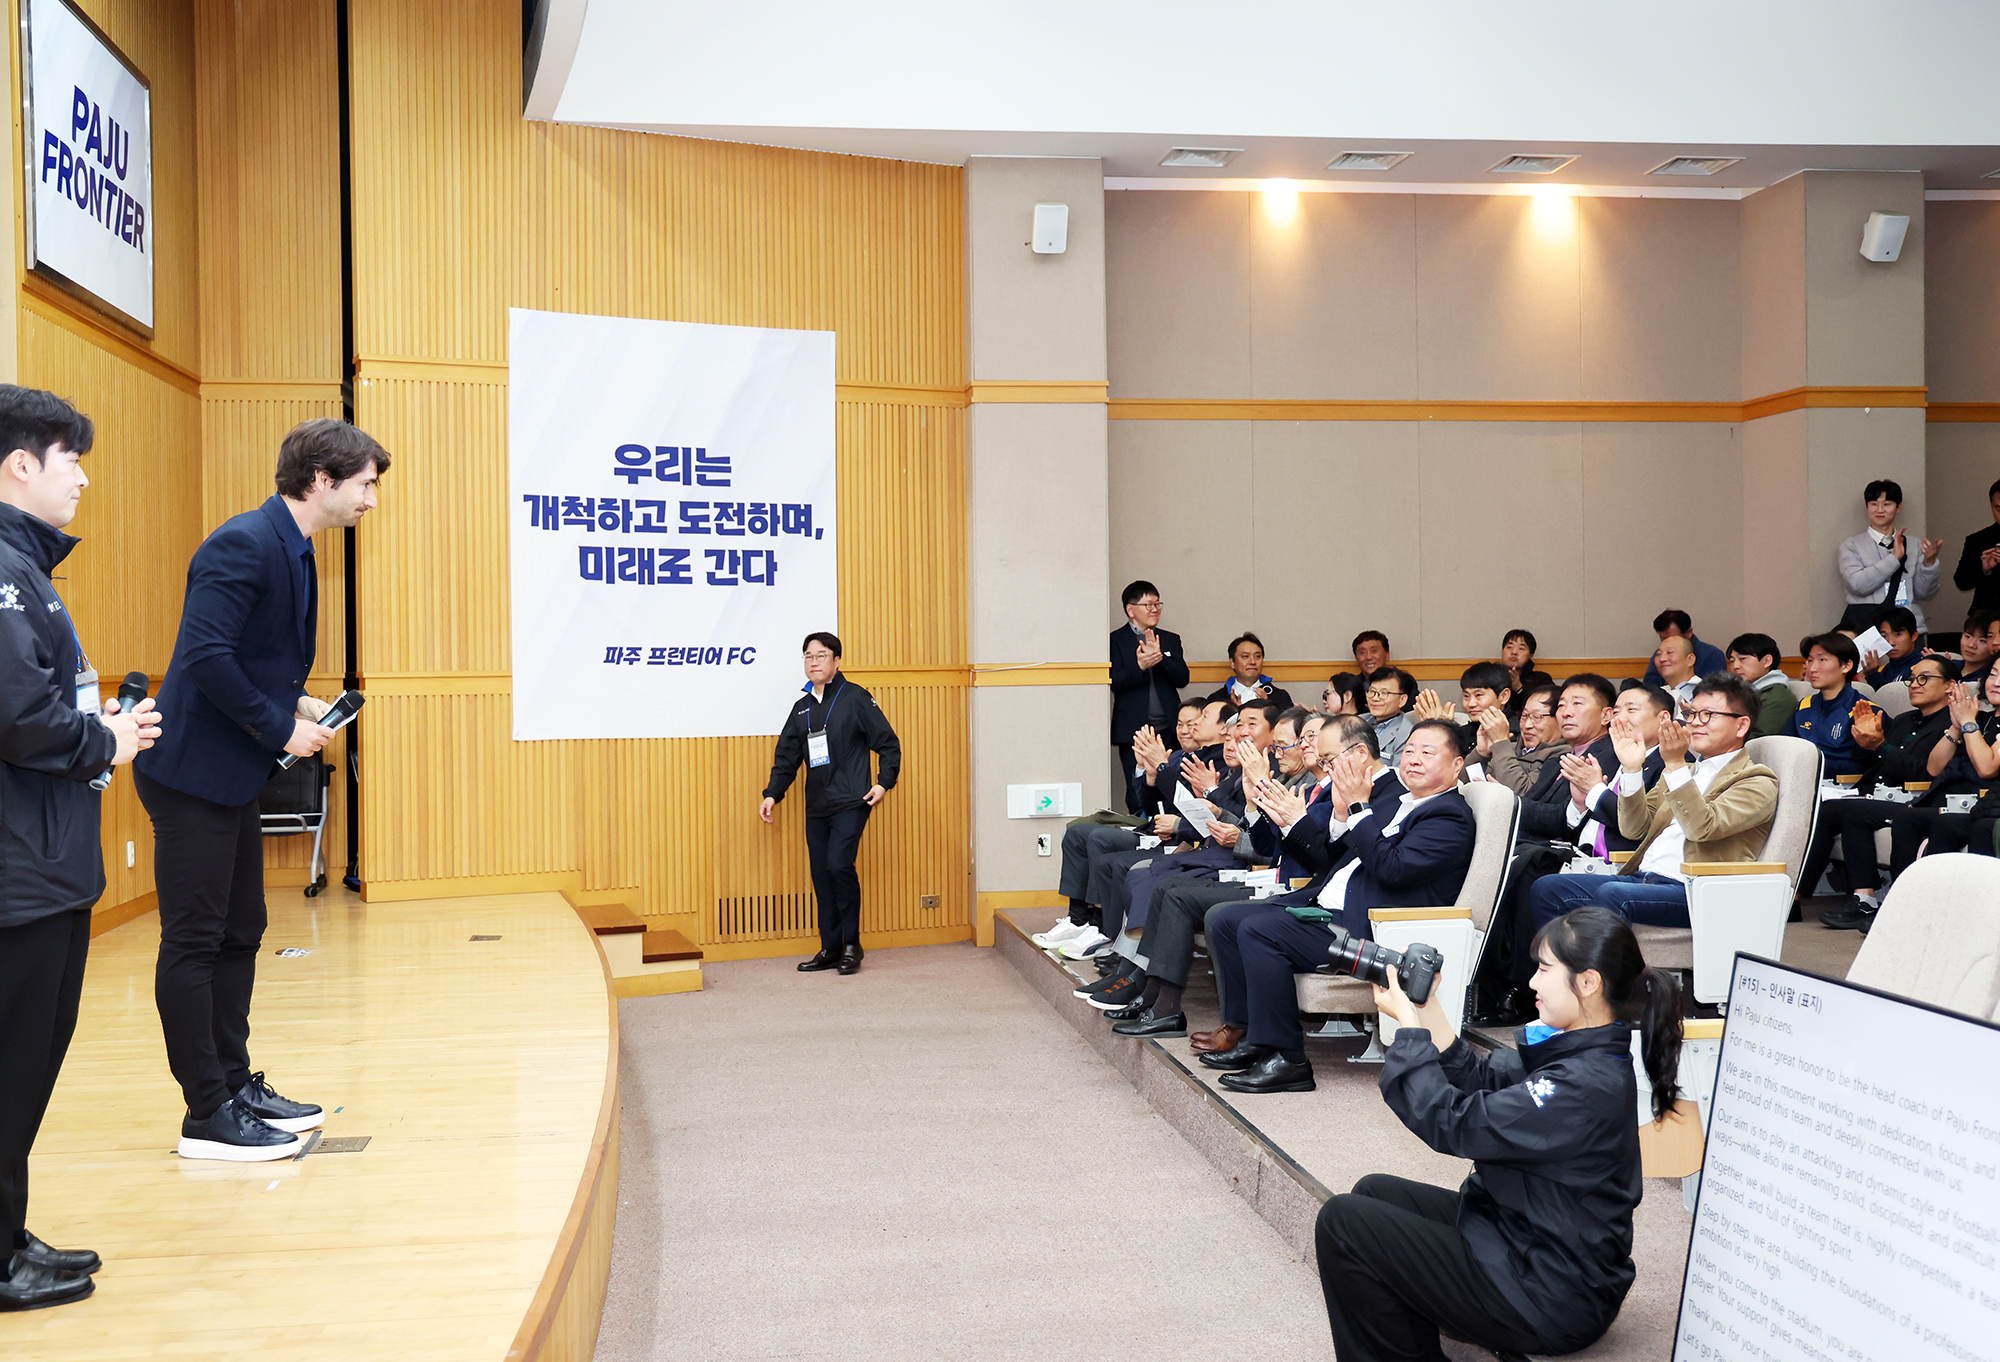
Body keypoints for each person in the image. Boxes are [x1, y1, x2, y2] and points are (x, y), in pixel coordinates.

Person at [138, 418, 387, 1162]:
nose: (372, 500)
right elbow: (206, 658)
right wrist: (281, 729)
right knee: (194, 940)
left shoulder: (295, 547)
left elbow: (253, 656)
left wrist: (299, 700)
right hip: (190, 775)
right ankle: (206, 1112)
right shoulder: (242, 542)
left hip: (229, 775)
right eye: (365, 484)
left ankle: (236, 1083)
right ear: (322, 481)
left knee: (241, 929)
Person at [1315, 907, 1682, 1362]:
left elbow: (1453, 1123)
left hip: (1549, 1293)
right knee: (1374, 1193)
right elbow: (1482, 1078)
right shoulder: (1580, 1049)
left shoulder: (1581, 1085)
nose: (1532, 982)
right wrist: (1427, 1010)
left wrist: (1408, 1031)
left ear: (1587, 983)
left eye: (1545, 969)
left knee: (1344, 1222)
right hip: (1523, 1240)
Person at [0, 388, 162, 1310]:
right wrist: (103, 740)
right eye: (72, 458)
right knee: (11, 1062)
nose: (85, 476)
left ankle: (6, 1233)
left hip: (46, 858)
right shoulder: (1, 566)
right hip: (17, 866)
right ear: (22, 462)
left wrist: (96, 725)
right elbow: (18, 715)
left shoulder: (27, 567)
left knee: (31, 1060)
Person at [1201, 719, 1475, 1094]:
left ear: (1457, 765)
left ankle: (1289, 1059)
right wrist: (1341, 815)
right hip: (1332, 910)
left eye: (1427, 752)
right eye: (1409, 749)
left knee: (1259, 930)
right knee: (1227, 919)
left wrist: (1358, 807)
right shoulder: (1399, 803)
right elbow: (1333, 859)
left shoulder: (1449, 817)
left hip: (1372, 928)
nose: (1413, 758)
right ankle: (1255, 1036)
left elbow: (1392, 869)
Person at [1506, 677, 1777, 991]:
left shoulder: (1756, 780)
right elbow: (1635, 826)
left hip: (1696, 891)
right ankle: (1563, 989)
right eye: (1692, 714)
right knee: (1548, 888)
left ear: (1741, 725)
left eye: (1708, 716)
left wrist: (1674, 763)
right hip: (1646, 878)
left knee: (1612, 895)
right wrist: (1632, 769)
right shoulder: (1687, 772)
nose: (1695, 723)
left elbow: (1702, 827)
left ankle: (1607, 1001)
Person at [761, 632, 901, 975]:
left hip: (853, 799)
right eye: (808, 656)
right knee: (822, 874)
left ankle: (852, 945)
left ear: (836, 661)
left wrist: (883, 783)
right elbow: (787, 757)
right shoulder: (802, 708)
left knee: (839, 865)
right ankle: (830, 947)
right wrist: (772, 793)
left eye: (821, 656)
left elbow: (888, 743)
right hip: (817, 806)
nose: (813, 662)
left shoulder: (855, 698)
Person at [1802, 657, 1961, 931]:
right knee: (1821, 811)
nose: (1914, 684)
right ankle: (1796, 896)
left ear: (1949, 686)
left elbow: (1924, 773)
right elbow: (1873, 761)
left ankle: (1865, 899)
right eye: (1912, 679)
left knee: (1856, 812)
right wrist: (1864, 740)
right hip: (1878, 793)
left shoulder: (1950, 726)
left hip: (1916, 800)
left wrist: (1880, 745)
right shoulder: (1902, 720)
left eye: (1925, 678)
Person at [1108, 581, 1187, 813]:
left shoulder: (1170, 639)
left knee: (1171, 783)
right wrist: (1139, 665)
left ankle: (1168, 831)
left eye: (1157, 604)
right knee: (1137, 786)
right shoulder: (1114, 640)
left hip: (1169, 728)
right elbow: (1115, 682)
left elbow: (1183, 678)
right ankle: (1141, 833)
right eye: (1148, 604)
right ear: (1130, 610)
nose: (1154, 609)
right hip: (1133, 728)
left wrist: (1160, 657)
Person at [1837, 478, 1942, 633]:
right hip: (1867, 628)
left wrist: (1929, 563)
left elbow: (1924, 594)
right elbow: (1857, 585)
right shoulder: (1851, 545)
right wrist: (1894, 559)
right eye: (1874, 504)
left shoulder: (1914, 544)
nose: (1880, 510)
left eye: (1887, 504)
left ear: (1898, 507)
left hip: (1907, 628)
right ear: (1866, 507)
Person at [1784, 632, 1871, 777]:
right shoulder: (1805, 705)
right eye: (1810, 661)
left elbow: (1863, 764)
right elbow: (1785, 747)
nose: (1812, 669)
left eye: (1822, 660)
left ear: (1846, 666)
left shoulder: (1863, 710)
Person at [1482, 683, 1563, 796]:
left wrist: (1500, 743)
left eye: (1536, 717)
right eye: (1524, 716)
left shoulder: (1563, 756)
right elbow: (1465, 784)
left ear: (1560, 718)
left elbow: (1524, 793)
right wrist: (1480, 753)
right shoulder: (1511, 747)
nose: (1527, 725)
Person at [1726, 633, 1795, 739]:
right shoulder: (1737, 691)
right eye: (1732, 661)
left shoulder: (1779, 697)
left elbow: (1759, 739)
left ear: (1767, 661)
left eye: (1743, 659)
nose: (1735, 666)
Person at [1951, 478, 2000, 614]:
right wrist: (1984, 569)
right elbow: (1961, 582)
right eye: (1998, 509)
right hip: (1987, 617)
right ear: (1991, 506)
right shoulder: (1978, 540)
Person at [1206, 632, 1293, 709]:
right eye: (1245, 657)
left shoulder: (1280, 697)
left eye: (1257, 657)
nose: (1252, 662)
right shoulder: (1216, 700)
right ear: (1232, 662)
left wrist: (1268, 707)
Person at [1640, 609, 1725, 685]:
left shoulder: (1713, 655)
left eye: (1672, 638)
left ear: (1689, 633)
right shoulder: (1660, 656)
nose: (1663, 658)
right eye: (1663, 639)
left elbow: (1713, 689)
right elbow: (1650, 686)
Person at [1364, 667, 1418, 765]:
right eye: (1372, 691)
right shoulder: (1357, 721)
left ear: (1402, 700)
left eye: (1384, 693)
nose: (1375, 698)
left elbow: (1398, 774)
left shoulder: (1406, 734)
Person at [1862, 605, 1926, 687]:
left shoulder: (1923, 666)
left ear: (1913, 636)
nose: (1890, 642)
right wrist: (1871, 674)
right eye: (1884, 636)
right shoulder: (1884, 670)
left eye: (1897, 634)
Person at [1499, 628, 1552, 717]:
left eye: (1521, 648)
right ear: (1502, 651)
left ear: (1531, 655)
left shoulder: (1541, 679)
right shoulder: (1490, 677)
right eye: (1509, 647)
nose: (1514, 652)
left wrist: (1520, 689)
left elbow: (1548, 707)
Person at [1651, 635, 1699, 709]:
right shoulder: (1656, 694)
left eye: (1670, 652)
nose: (1662, 659)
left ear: (1690, 659)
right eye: (1659, 654)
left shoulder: (1703, 692)